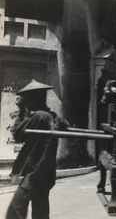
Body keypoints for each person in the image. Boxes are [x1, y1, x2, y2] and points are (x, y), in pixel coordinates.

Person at [6, 79, 69, 219]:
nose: (25, 101)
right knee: (40, 212)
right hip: (45, 173)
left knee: (15, 210)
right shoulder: (50, 116)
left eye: (27, 99)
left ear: (34, 99)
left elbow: (17, 134)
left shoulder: (39, 116)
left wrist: (21, 111)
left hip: (35, 173)